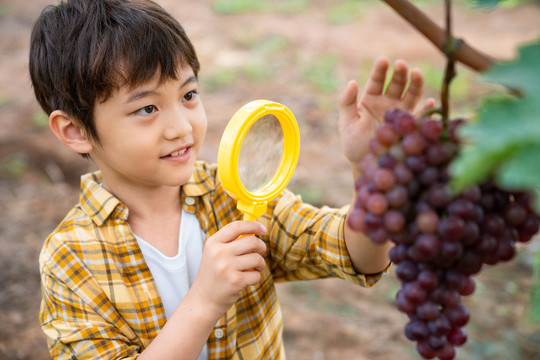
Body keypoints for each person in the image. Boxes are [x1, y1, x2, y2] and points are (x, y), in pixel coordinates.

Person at [29, 0, 432, 359]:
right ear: (75, 131)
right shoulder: (72, 260)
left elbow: (357, 254)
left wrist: (374, 178)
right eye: (148, 108)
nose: (181, 128)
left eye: (188, 96)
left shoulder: (233, 194)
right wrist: (204, 302)